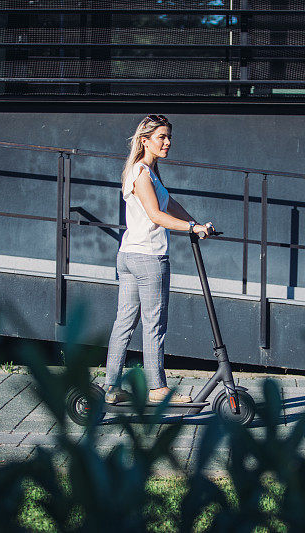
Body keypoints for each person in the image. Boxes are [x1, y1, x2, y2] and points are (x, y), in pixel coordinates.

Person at [104, 114, 213, 404]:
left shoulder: (145, 173)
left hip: (129, 255)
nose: (167, 142)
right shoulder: (142, 173)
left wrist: (196, 224)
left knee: (124, 323)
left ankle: (111, 389)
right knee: (154, 325)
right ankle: (157, 388)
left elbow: (170, 204)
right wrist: (191, 228)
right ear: (144, 140)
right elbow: (156, 215)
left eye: (169, 137)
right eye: (161, 137)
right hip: (149, 258)